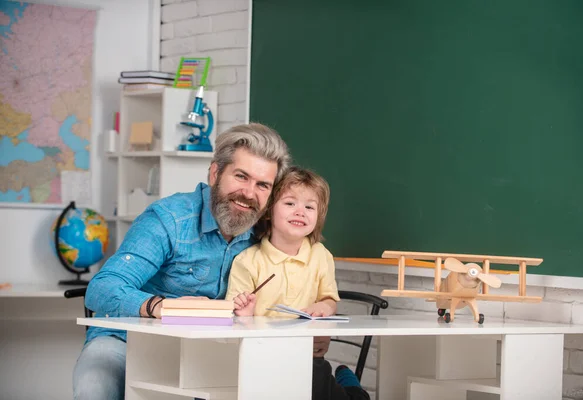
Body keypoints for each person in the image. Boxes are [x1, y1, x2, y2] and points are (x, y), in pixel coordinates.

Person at [72, 123, 291, 400]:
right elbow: (102, 288)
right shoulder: (169, 219)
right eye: (241, 176)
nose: (249, 193)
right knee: (94, 384)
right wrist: (163, 307)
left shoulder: (267, 233)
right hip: (127, 341)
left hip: (210, 352)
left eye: (262, 185)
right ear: (215, 173)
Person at [226, 167, 370, 400]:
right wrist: (245, 313)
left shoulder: (320, 255)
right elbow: (234, 320)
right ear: (269, 210)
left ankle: (351, 385)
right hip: (263, 359)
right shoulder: (247, 261)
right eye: (290, 203)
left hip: (309, 356)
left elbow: (329, 300)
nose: (300, 212)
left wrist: (324, 308)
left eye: (309, 207)